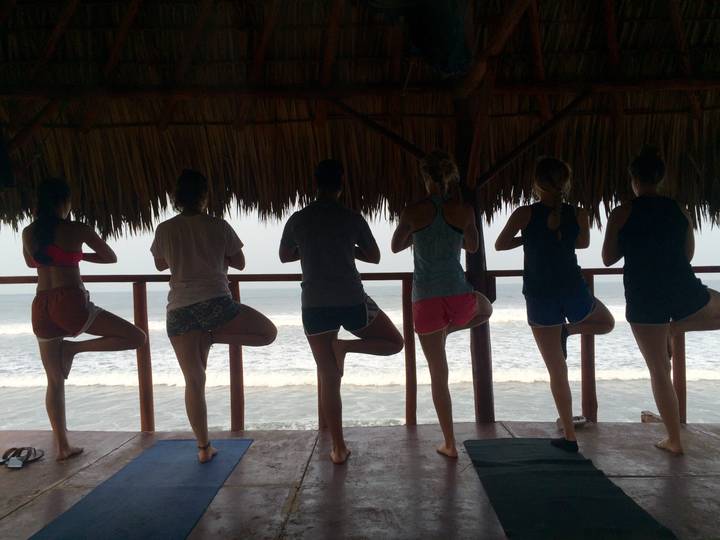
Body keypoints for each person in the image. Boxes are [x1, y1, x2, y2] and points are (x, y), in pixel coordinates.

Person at [279, 159, 404, 465]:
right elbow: (374, 257)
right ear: (341, 184)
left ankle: (337, 448)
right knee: (395, 343)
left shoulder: (299, 219)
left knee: (329, 375)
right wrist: (348, 249)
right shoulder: (351, 218)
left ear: (315, 184)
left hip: (315, 303)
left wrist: (309, 250)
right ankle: (346, 346)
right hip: (351, 299)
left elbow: (284, 256)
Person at [151, 170, 277, 463]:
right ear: (205, 196)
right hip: (216, 306)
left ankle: (204, 448)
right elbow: (241, 263)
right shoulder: (218, 226)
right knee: (267, 332)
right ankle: (214, 335)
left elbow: (160, 264)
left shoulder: (165, 229)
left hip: (179, 311)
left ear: (177, 198)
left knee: (194, 381)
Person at [603, 146, 720, 455]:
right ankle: (679, 326)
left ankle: (674, 440)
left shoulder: (622, 212)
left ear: (633, 178)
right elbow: (688, 254)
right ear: (661, 178)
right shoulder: (678, 209)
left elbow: (607, 258)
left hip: (643, 296)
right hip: (682, 287)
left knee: (658, 370)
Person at [496, 157, 614, 452]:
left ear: (536, 184)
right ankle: (571, 329)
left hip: (539, 294)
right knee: (607, 322)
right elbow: (582, 244)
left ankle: (570, 438)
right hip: (573, 288)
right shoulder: (580, 214)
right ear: (566, 183)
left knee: (557, 370)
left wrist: (529, 239)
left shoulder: (524, 214)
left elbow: (500, 244)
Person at [22, 178, 146, 461]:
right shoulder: (77, 228)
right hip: (70, 301)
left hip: (41, 304)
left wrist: (62, 256)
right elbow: (109, 257)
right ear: (63, 202)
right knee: (136, 337)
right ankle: (75, 348)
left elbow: (33, 262)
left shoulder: (29, 232)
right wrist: (78, 255)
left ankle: (63, 446)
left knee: (54, 381)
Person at [391, 150, 493, 459]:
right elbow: (473, 246)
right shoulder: (462, 210)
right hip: (459, 297)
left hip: (425, 300)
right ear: (449, 178)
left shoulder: (413, 211)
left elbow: (396, 246)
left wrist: (419, 235)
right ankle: (451, 329)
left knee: (438, 374)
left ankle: (449, 443)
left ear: (425, 179)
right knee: (486, 308)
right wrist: (453, 236)